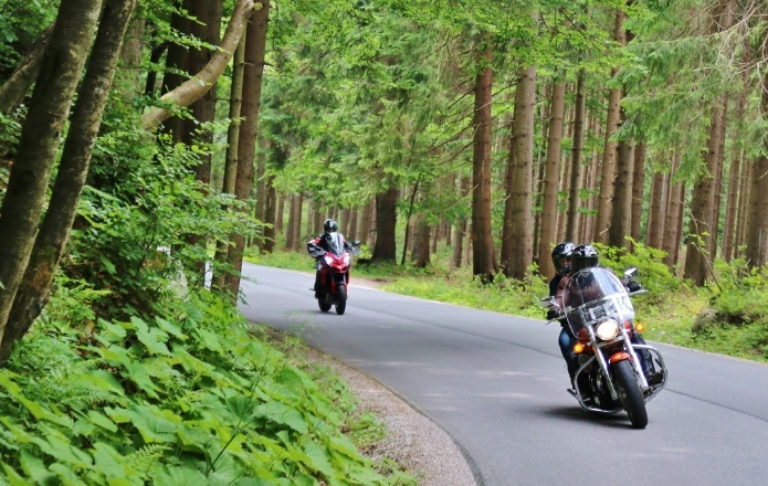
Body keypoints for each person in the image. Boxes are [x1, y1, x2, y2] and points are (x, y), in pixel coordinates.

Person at [547, 241, 580, 383]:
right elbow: (555, 300)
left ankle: (647, 370)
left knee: (630, 329)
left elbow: (607, 283)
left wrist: (626, 285)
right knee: (564, 341)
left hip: (599, 317)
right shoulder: (556, 283)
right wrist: (554, 309)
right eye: (562, 261)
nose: (566, 264)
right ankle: (578, 382)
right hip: (573, 324)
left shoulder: (585, 274)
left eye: (569, 259)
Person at [307, 218, 354, 297]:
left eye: (332, 228)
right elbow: (314, 242)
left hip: (337, 256)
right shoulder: (322, 237)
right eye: (328, 228)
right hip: (325, 257)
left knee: (346, 266)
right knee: (320, 268)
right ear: (325, 228)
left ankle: (343, 288)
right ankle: (318, 289)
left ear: (335, 228)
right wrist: (314, 247)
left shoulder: (340, 237)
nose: (330, 230)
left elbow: (346, 244)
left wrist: (351, 247)